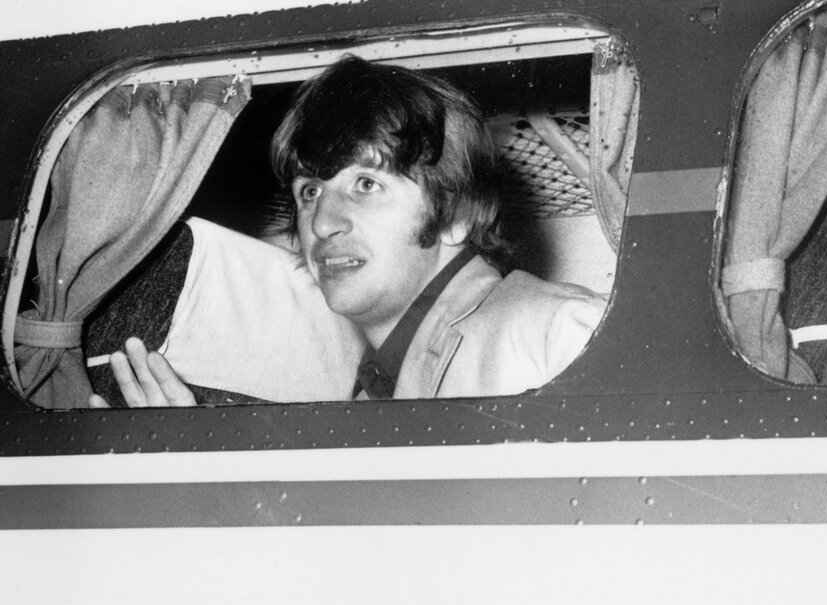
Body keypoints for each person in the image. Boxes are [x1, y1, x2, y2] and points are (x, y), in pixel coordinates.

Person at [97, 56, 604, 405]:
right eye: (310, 191)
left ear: (456, 215)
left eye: (366, 183)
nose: (321, 222)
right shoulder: (372, 384)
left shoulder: (557, 335)